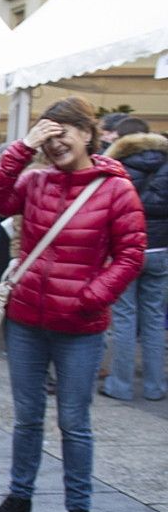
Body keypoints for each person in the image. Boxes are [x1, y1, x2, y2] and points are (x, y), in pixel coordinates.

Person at [0, 97, 146, 512]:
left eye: (63, 134)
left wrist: (91, 296)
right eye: (47, 138)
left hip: (81, 326)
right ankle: (20, 496)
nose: (55, 146)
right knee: (27, 418)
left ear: (88, 134)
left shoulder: (115, 188)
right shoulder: (35, 181)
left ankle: (79, 507)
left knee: (74, 421)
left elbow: (131, 254)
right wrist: (21, 150)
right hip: (27, 320)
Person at [103, 120, 167, 401]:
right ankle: (155, 387)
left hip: (127, 250)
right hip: (162, 250)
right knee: (154, 319)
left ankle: (121, 384)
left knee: (125, 318)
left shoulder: (117, 166)